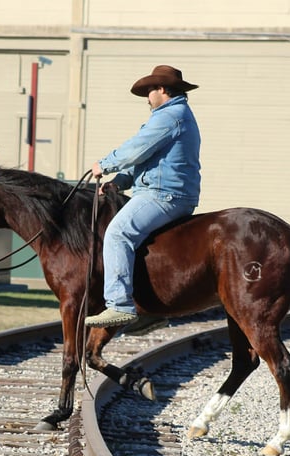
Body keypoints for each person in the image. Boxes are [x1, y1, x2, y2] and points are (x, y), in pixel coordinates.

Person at [85, 65, 202, 329]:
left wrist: (104, 164)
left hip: (163, 195)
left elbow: (137, 149)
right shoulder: (174, 115)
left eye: (150, 90)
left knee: (117, 234)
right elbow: (149, 159)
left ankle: (119, 305)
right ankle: (149, 311)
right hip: (168, 192)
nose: (147, 97)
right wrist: (120, 181)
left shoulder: (170, 116)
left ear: (162, 89)